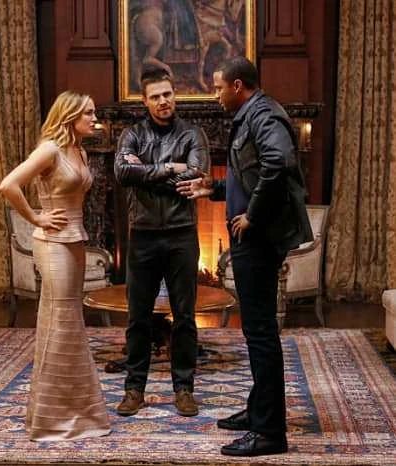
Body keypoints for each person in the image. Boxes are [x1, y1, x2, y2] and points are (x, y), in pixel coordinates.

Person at [177, 57, 313, 456]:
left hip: (260, 238)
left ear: (238, 86)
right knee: (256, 331)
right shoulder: (251, 115)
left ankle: (269, 433)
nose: (215, 95)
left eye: (219, 87)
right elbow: (250, 176)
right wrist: (214, 188)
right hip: (252, 237)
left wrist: (252, 215)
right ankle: (258, 411)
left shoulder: (264, 115)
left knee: (260, 333)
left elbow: (279, 164)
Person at [0, 91, 111, 441]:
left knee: (68, 321)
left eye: (94, 112)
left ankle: (74, 413)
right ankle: (52, 420)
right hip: (53, 244)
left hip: (75, 241)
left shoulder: (79, 150)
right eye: (88, 113)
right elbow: (8, 185)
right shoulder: (49, 149)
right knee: (62, 323)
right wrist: (37, 217)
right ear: (70, 115)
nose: (94, 119)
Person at [114, 66, 209, 417]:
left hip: (182, 234)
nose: (163, 101)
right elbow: (123, 172)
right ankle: (134, 389)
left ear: (175, 94)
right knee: (138, 316)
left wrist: (147, 172)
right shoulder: (132, 135)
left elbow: (195, 176)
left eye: (167, 94)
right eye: (155, 96)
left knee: (184, 316)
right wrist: (171, 168)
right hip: (142, 235)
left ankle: (184, 389)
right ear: (145, 101)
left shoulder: (193, 134)